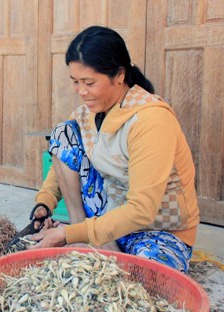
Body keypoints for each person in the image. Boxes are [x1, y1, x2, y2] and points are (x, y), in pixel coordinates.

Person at [28, 26, 199, 273]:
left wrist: (69, 233)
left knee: (147, 283)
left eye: (89, 82)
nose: (81, 91)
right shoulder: (88, 114)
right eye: (75, 82)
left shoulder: (150, 121)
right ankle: (86, 239)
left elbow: (142, 211)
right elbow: (65, 158)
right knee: (64, 132)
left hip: (157, 228)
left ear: (119, 75)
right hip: (110, 217)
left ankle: (88, 240)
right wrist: (44, 203)